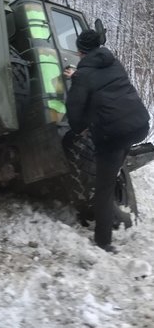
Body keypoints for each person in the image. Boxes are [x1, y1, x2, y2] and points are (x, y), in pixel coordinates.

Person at [63, 29, 150, 252]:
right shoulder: (113, 63)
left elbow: (75, 109)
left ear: (81, 52)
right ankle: (116, 170)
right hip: (138, 124)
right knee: (114, 165)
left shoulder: (83, 74)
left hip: (113, 133)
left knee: (103, 188)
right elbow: (101, 84)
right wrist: (78, 77)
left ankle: (103, 242)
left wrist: (79, 129)